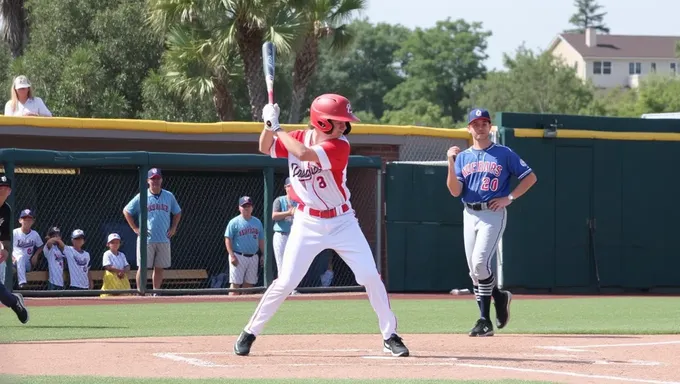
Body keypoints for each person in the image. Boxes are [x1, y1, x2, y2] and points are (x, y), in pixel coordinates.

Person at [233, 94, 409, 357]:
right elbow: (264, 146)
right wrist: (268, 126)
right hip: (307, 221)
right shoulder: (296, 137)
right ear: (321, 121)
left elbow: (303, 153)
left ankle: (390, 335)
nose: (344, 126)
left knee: (370, 276)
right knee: (286, 281)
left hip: (342, 222)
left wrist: (277, 127)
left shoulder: (340, 146)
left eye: (344, 121)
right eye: (338, 121)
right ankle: (249, 332)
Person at [446, 108, 538, 337]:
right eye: (476, 123)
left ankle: (484, 319)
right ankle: (498, 297)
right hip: (469, 212)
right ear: (469, 128)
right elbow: (455, 191)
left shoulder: (504, 153)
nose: (480, 127)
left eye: (484, 123)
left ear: (490, 127)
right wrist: (450, 162)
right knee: (474, 272)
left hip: (492, 212)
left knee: (479, 263)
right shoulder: (463, 156)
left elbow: (530, 177)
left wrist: (510, 197)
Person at [123, 168, 182, 294]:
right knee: (143, 267)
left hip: (163, 238)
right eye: (152, 178)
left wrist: (173, 228)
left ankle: (156, 292)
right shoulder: (142, 196)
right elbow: (126, 211)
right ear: (148, 180)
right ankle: (141, 292)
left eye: (157, 178)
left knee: (159, 268)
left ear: (161, 180)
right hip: (146, 239)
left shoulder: (169, 195)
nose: (155, 181)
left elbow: (177, 212)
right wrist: (135, 228)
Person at [0, 175, 29, 323]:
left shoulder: (6, 210)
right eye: (0, 187)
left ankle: (13, 302)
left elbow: (5, 234)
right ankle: (13, 302)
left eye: (6, 188)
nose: (2, 191)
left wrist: (5, 249)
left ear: (10, 192)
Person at [224, 196, 264, 296]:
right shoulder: (234, 222)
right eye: (244, 206)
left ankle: (243, 308)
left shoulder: (257, 222)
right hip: (238, 256)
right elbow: (228, 239)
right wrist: (232, 255)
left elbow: (261, 240)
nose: (246, 208)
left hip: (253, 256)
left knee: (249, 285)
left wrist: (263, 254)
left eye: (249, 205)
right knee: (235, 285)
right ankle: (230, 307)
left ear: (252, 208)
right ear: (239, 208)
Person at [271, 177, 296, 276]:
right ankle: (283, 290)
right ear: (285, 187)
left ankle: (293, 289)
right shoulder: (280, 200)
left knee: (294, 263)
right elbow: (274, 216)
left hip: (294, 235)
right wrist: (288, 213)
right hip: (281, 235)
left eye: (294, 186)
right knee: (281, 264)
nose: (292, 189)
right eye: (290, 186)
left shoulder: (299, 202)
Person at [12, 209, 43, 288]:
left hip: (27, 264)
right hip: (13, 262)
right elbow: (6, 245)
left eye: (29, 219)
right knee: (20, 257)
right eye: (24, 219)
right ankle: (22, 282)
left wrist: (36, 255)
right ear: (20, 220)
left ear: (33, 221)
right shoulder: (14, 232)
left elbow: (41, 246)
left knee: (21, 257)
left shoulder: (35, 234)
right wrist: (11, 258)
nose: (27, 221)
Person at [100, 233, 131, 297]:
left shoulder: (122, 255)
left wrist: (123, 272)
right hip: (111, 279)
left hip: (121, 278)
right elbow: (107, 266)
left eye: (117, 242)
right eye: (112, 242)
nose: (115, 244)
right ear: (108, 244)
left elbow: (127, 266)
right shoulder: (107, 254)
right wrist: (119, 271)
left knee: (125, 296)